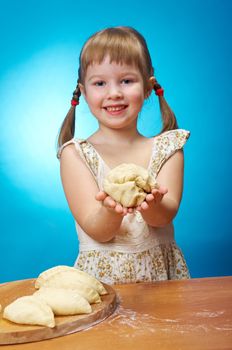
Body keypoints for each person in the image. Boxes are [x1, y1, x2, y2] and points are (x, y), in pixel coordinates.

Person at [57, 26, 190, 284]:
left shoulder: (168, 149)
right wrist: (112, 209)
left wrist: (152, 204)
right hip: (103, 283)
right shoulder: (76, 155)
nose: (114, 93)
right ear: (84, 93)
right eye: (100, 83)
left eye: (126, 81)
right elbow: (97, 230)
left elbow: (164, 216)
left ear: (148, 87)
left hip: (160, 278)